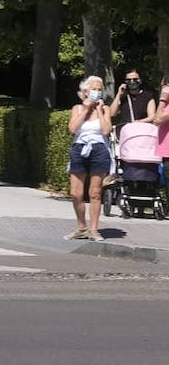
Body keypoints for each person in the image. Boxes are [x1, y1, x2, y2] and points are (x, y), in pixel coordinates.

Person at [65, 75, 113, 242]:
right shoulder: (77, 108)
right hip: (80, 148)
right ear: (85, 91)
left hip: (99, 149)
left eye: (100, 89)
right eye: (94, 89)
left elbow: (106, 130)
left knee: (95, 193)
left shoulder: (105, 109)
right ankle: (81, 226)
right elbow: (72, 128)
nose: (97, 92)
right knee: (76, 193)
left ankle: (94, 229)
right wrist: (86, 110)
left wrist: (99, 110)